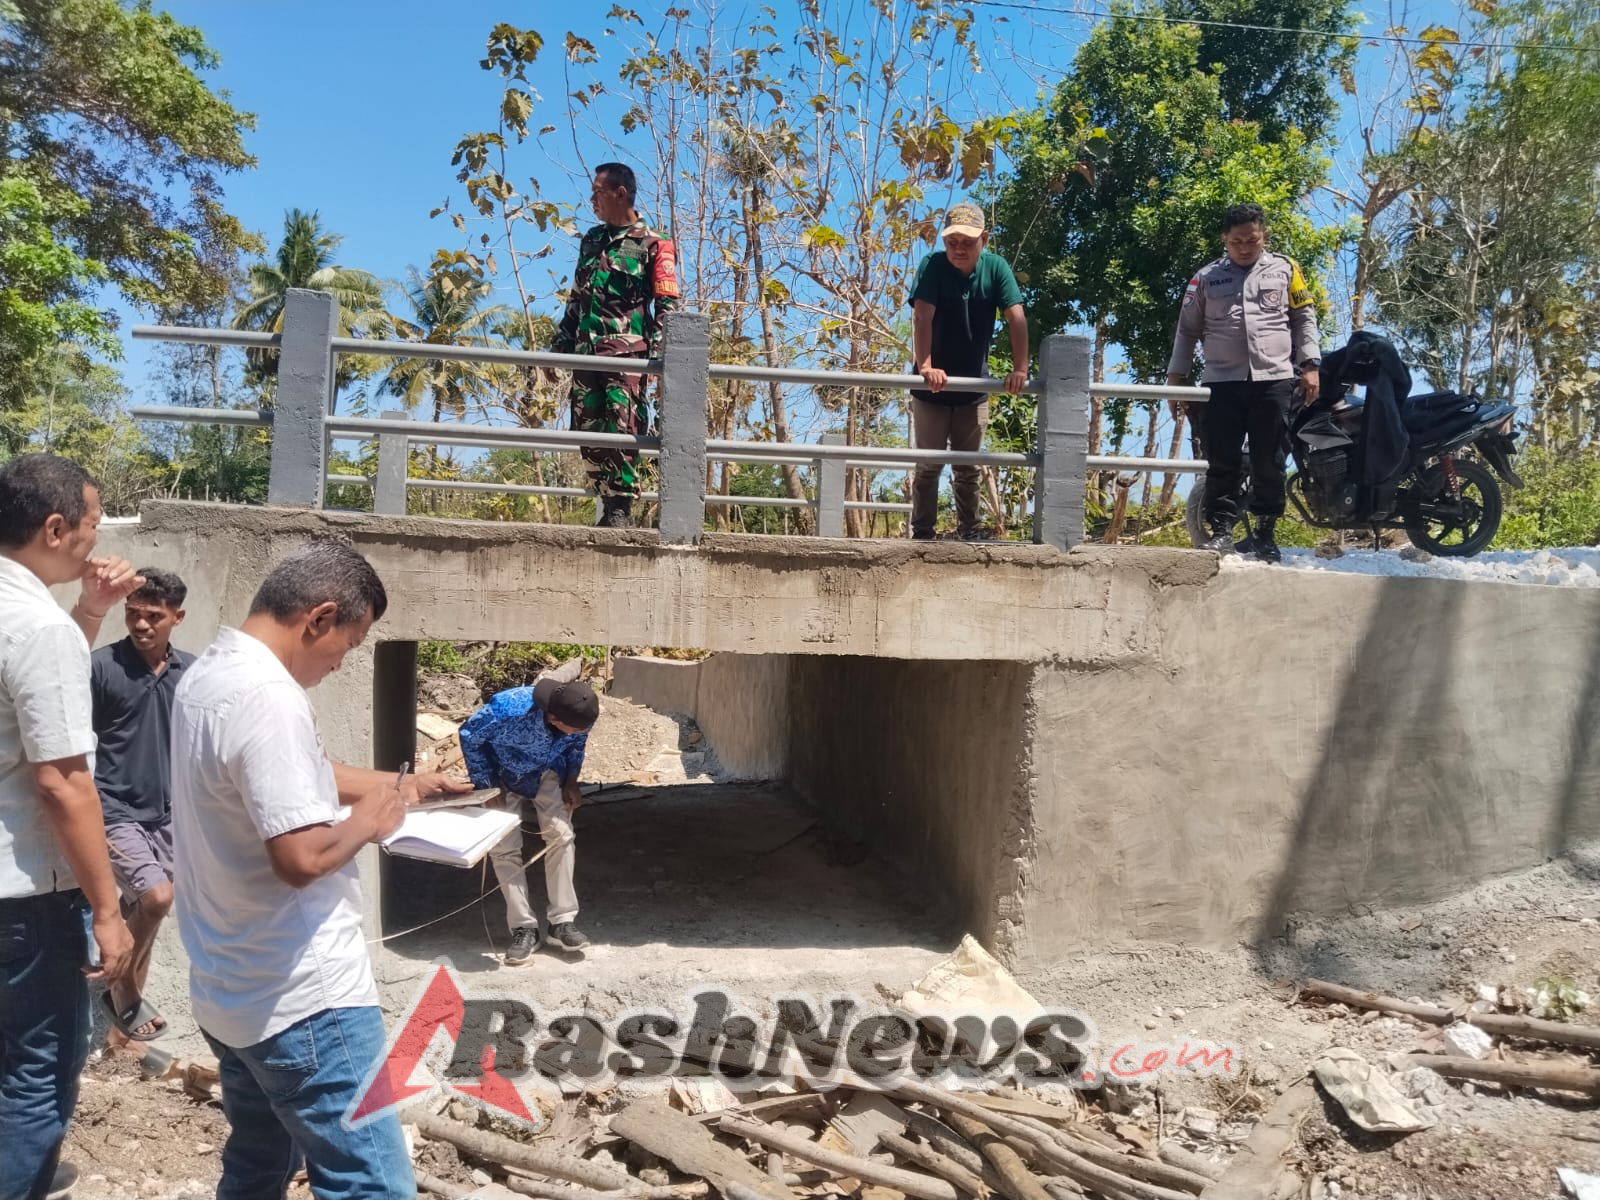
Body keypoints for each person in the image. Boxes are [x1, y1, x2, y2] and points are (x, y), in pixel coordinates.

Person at [169, 538, 471, 1200]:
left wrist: (403, 785)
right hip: (305, 999)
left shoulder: (210, 673)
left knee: (257, 1168)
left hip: (231, 988)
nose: (340, 664)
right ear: (320, 618)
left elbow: (287, 773)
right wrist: (371, 821)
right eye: (348, 646)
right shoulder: (269, 698)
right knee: (372, 1184)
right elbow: (302, 858)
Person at [0, 452, 141, 1200]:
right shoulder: (35, 627)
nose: (95, 539)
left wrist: (88, 613)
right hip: (22, 894)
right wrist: (108, 911)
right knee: (38, 1068)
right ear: (55, 528)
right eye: (92, 523)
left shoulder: (32, 621)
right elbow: (61, 780)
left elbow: (28, 698)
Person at [1166, 202, 1323, 564]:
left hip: (1274, 379)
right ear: (1225, 240)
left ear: (1264, 235)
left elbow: (1304, 318)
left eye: (1252, 240)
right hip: (1222, 383)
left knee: (1271, 459)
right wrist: (1176, 381)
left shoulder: (1286, 270)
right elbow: (1187, 331)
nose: (1244, 248)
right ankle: (1222, 531)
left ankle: (1265, 533)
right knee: (1222, 459)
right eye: (1236, 241)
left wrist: (1310, 365)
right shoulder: (1205, 278)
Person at [90, 567, 194, 1047]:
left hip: (169, 814)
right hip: (112, 808)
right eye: (133, 613)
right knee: (156, 898)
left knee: (143, 916)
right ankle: (123, 990)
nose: (141, 624)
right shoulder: (102, 668)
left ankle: (122, 1038)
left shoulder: (191, 674)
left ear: (177, 617)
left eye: (154, 616)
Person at [547, 162, 681, 529]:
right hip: (586, 354)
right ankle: (607, 504)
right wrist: (557, 350)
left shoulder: (654, 243)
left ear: (620, 194)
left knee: (623, 430)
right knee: (587, 433)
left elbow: (667, 307)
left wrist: (659, 362)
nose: (592, 200)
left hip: (626, 356)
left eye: (598, 193)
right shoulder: (591, 240)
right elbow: (576, 300)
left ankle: (620, 510)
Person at [908, 201, 1029, 541]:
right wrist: (926, 366)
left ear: (983, 240)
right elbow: (922, 316)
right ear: (944, 242)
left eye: (967, 242)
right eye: (952, 242)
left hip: (973, 388)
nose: (959, 249)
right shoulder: (932, 266)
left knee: (968, 466)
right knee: (928, 464)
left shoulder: (996, 268)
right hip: (931, 389)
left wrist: (1020, 369)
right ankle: (922, 534)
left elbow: (1016, 318)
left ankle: (970, 532)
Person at [461, 677, 600, 964]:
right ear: (554, 718)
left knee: (562, 836)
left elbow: (576, 746)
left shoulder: (579, 715)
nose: (583, 732)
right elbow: (469, 735)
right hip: (502, 773)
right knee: (504, 847)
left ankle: (562, 922)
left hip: (547, 770)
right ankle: (524, 928)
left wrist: (571, 781)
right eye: (577, 729)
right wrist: (486, 783)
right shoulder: (508, 709)